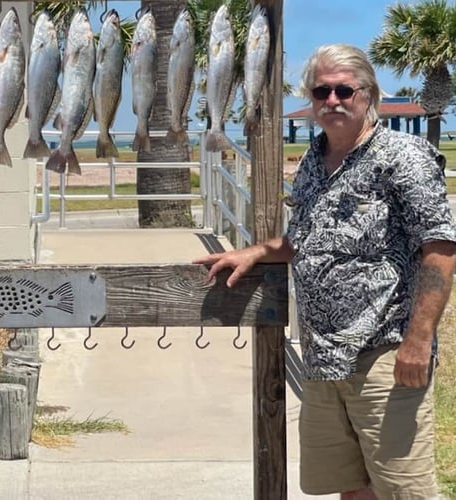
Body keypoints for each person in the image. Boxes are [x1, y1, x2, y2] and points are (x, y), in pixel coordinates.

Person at [195, 43, 456, 499]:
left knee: (403, 490)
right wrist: (256, 252)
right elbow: (305, 240)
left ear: (368, 94)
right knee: (349, 487)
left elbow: (440, 248)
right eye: (321, 92)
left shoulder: (405, 156)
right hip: (322, 358)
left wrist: (418, 341)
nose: (332, 100)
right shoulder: (314, 160)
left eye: (343, 90)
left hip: (385, 355)